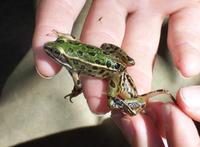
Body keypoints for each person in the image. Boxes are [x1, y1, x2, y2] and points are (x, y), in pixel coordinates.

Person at [32, 0, 200, 146]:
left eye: (59, 53)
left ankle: (127, 105)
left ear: (64, 57)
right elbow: (70, 39)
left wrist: (74, 92)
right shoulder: (70, 44)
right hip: (112, 57)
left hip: (114, 73)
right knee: (105, 45)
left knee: (111, 101)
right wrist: (62, 37)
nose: (51, 50)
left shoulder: (73, 66)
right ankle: (133, 87)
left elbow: (78, 84)